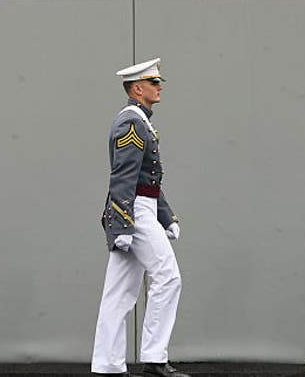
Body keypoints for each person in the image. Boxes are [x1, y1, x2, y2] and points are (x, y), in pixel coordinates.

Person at [91, 58, 188, 377]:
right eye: (154, 82)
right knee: (168, 276)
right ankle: (154, 357)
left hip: (140, 210)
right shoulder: (132, 122)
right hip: (134, 211)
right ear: (137, 88)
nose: (159, 87)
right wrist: (123, 224)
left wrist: (166, 215)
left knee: (118, 292)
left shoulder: (140, 121)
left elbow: (149, 179)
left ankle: (107, 364)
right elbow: (124, 177)